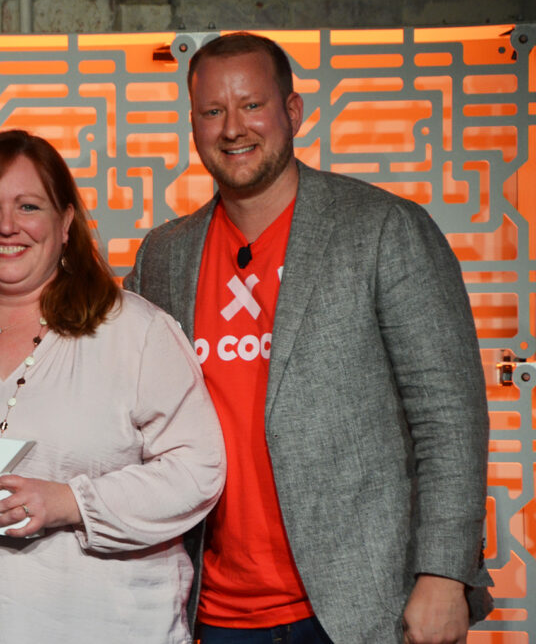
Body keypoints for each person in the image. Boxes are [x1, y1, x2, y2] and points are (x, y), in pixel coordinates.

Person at [125, 32, 493, 643]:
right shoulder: (165, 255)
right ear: (193, 125)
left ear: (292, 112)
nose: (232, 128)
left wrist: (444, 574)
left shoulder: (382, 229)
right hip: (214, 612)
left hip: (363, 605)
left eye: (252, 106)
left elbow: (450, 416)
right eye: (212, 111)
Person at [0, 129, 226, 644]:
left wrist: (72, 501)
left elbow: (199, 468)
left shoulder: (133, 332)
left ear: (66, 223)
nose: (6, 226)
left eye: (29, 206)